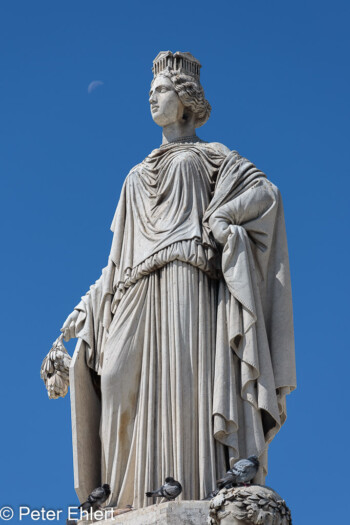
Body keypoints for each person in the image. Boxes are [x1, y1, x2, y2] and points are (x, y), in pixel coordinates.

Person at [59, 51, 296, 509]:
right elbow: (114, 262)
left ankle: (192, 489)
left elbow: (266, 195)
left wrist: (226, 215)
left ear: (186, 100)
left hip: (188, 281)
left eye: (162, 90)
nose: (152, 98)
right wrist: (84, 310)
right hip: (133, 289)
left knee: (186, 388)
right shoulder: (134, 175)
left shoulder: (213, 157)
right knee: (114, 383)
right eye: (149, 92)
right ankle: (122, 500)